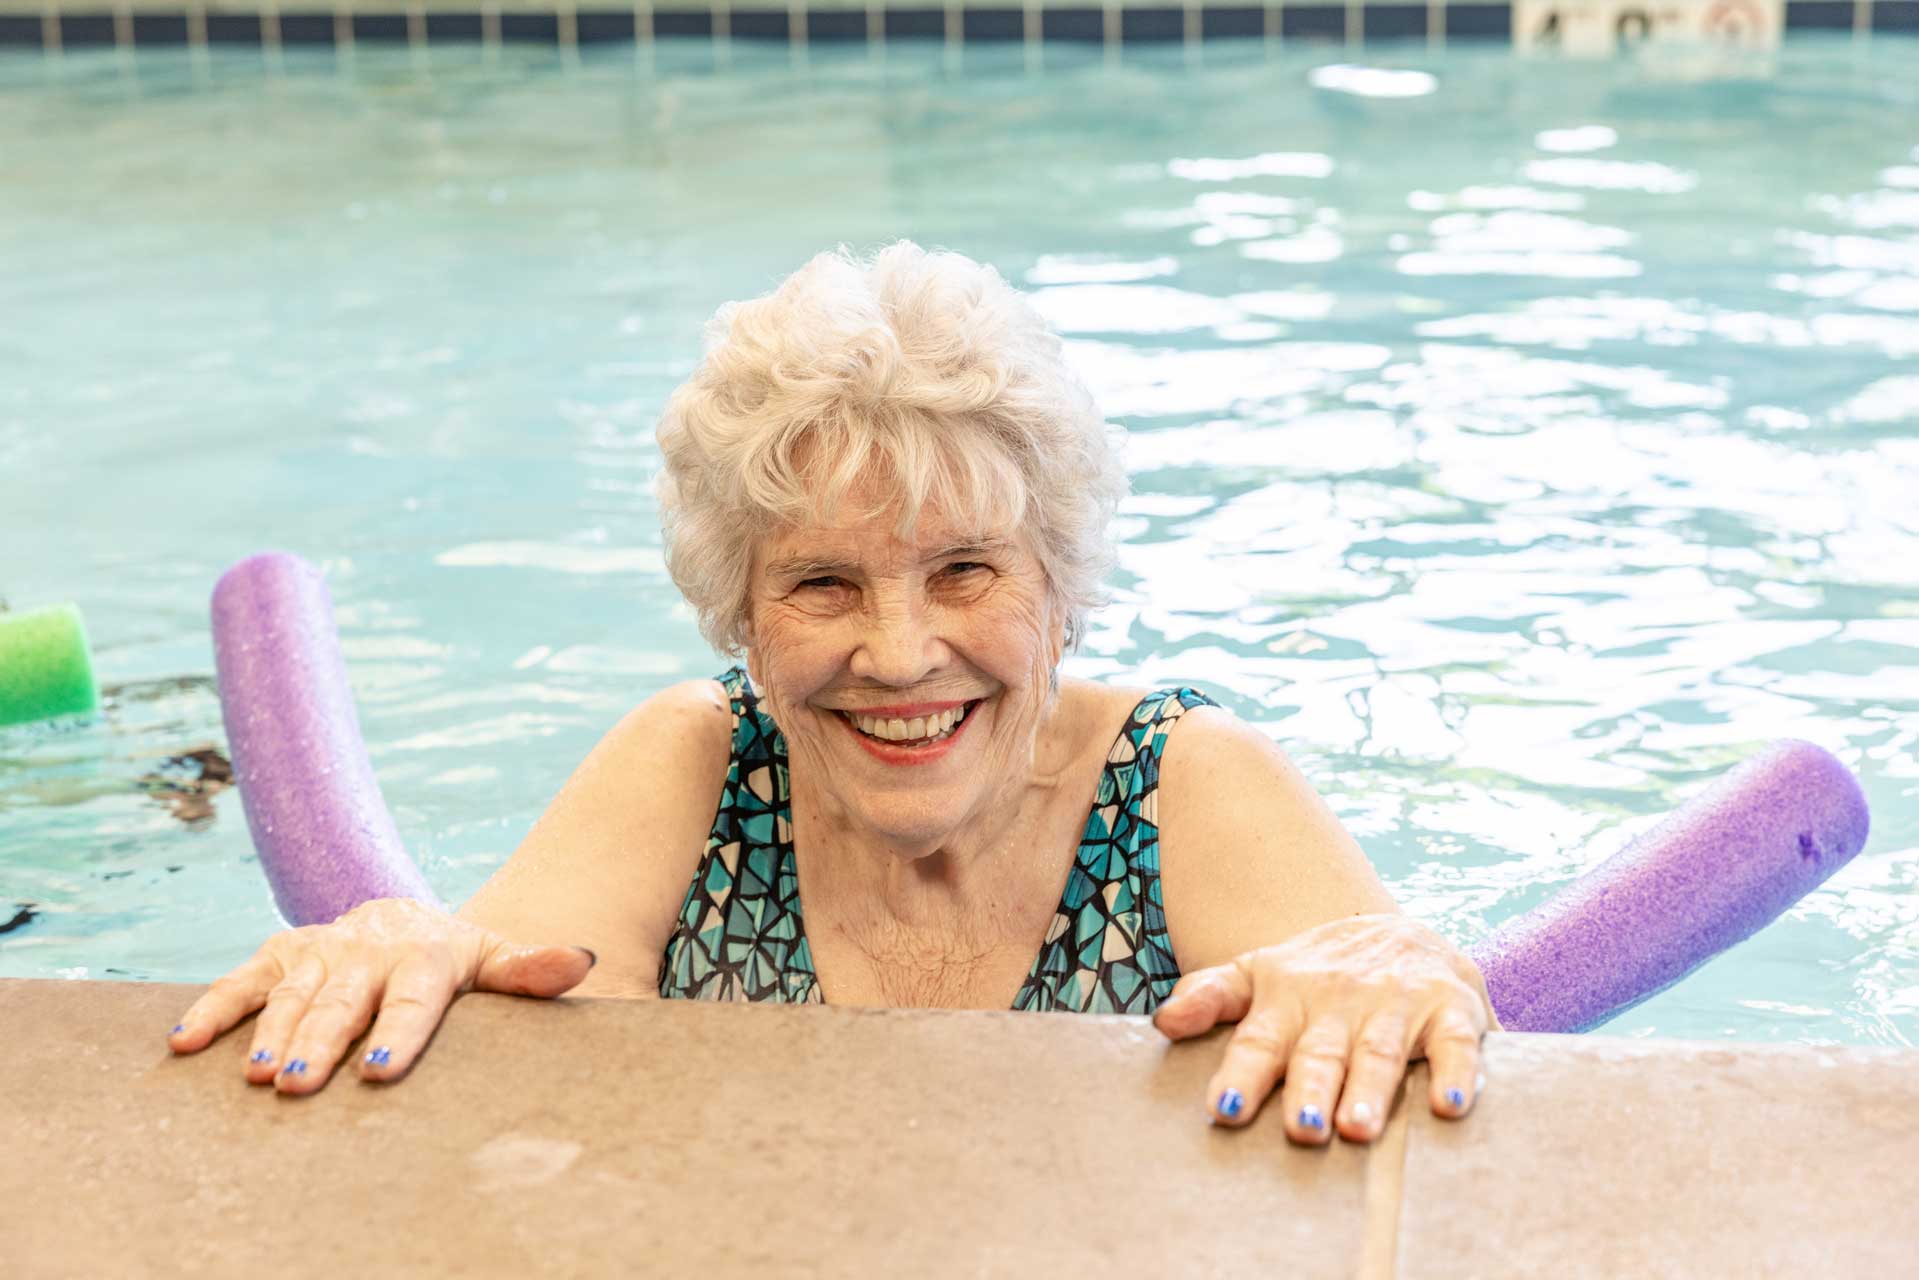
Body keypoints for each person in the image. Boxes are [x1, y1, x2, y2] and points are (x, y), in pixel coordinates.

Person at [168, 241, 1497, 1145]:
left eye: (966, 570)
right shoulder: (698, 763)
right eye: (822, 586)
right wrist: (398, 943)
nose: (903, 653)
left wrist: (1404, 977)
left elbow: (1388, 995)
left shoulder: (1183, 782)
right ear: (739, 614)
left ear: (1064, 590)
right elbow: (487, 1000)